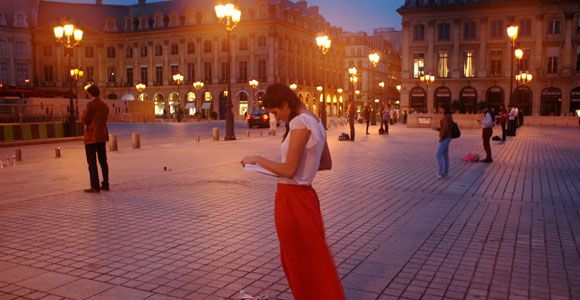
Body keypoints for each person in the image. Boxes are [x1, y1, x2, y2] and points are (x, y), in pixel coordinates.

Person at [241, 83, 344, 300]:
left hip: (292, 200)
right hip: (307, 198)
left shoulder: (298, 123)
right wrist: (303, 168)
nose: (276, 118)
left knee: (296, 261)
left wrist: (258, 159)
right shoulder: (315, 119)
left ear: (286, 104)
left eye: (276, 112)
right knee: (315, 259)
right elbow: (325, 163)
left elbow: (288, 170)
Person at [80, 84, 110, 193]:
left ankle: (95, 186)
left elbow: (86, 119)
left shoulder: (90, 105)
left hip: (91, 136)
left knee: (91, 162)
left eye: (88, 93)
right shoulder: (104, 105)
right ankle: (105, 183)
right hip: (102, 135)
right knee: (103, 161)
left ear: (90, 93)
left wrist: (82, 114)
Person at [435, 103, 453, 179]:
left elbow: (445, 129)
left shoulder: (446, 117)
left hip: (445, 137)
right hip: (448, 137)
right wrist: (438, 129)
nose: (439, 110)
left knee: (438, 155)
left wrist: (441, 137)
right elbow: (445, 128)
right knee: (445, 155)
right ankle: (446, 172)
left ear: (444, 109)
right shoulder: (449, 116)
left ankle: (440, 173)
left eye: (440, 108)